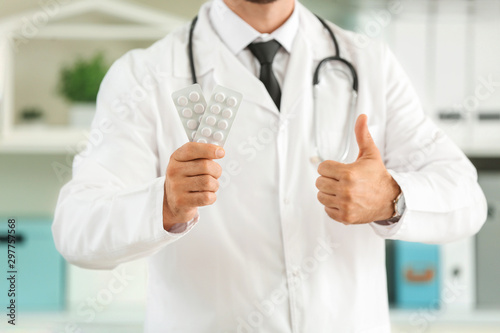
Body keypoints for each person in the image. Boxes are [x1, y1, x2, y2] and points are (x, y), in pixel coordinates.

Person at [52, 0, 487, 332]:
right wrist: (161, 205)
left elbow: (467, 198)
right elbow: (75, 227)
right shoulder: (144, 76)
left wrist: (392, 197)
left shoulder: (370, 63)